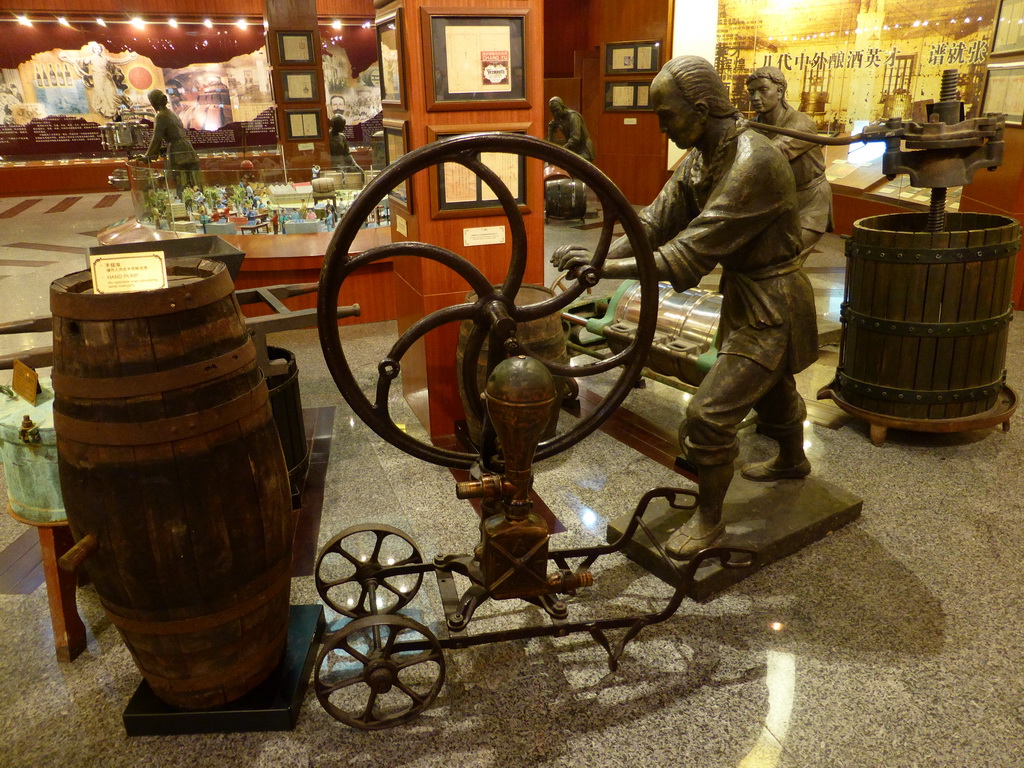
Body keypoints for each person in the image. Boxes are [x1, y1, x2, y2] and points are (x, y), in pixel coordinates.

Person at [552, 56, 818, 559]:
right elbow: (653, 224)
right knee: (770, 386)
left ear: (700, 108)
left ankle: (710, 520)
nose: (662, 127)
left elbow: (687, 253)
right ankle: (792, 461)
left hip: (775, 301)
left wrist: (601, 272)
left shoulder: (754, 162)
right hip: (747, 295)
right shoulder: (700, 157)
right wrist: (599, 255)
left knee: (709, 415)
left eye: (667, 116)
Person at [746, 66, 832, 256]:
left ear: (780, 91)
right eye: (751, 92)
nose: (755, 98)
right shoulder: (754, 125)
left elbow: (771, 154)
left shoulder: (801, 123)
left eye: (762, 90)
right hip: (777, 204)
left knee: (784, 258)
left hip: (809, 203)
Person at [143, 89, 201, 191]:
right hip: (187, 148)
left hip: (177, 150)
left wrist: (147, 156)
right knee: (193, 180)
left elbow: (156, 139)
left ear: (153, 102)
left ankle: (185, 203)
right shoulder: (171, 113)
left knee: (181, 182)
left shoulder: (160, 116)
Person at [546, 97, 594, 162]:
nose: (555, 113)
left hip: (583, 151)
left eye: (557, 110)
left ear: (562, 106)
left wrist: (561, 150)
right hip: (574, 151)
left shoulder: (573, 117)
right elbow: (551, 130)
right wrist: (551, 132)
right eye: (553, 111)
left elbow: (575, 139)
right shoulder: (559, 117)